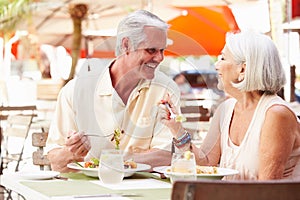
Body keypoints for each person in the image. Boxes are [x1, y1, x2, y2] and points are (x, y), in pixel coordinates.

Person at [46, 10, 181, 172]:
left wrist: (108, 161)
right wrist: (71, 152)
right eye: (151, 50)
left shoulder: (166, 89)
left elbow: (165, 156)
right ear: (126, 46)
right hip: (84, 191)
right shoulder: (75, 91)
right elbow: (55, 160)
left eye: (162, 50)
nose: (160, 58)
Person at [159, 30, 300, 180]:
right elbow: (205, 165)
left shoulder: (276, 115)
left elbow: (266, 189)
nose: (216, 65)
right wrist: (177, 128)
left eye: (223, 58)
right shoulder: (226, 109)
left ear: (243, 69)